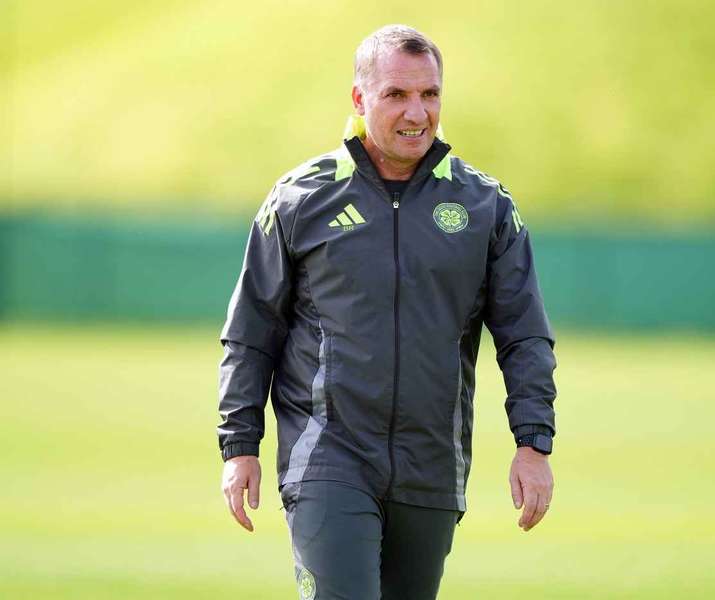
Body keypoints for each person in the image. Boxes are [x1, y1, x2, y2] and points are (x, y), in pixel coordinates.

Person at [217, 24, 557, 600]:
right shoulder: (299, 199)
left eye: (429, 94)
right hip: (328, 457)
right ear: (359, 99)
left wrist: (534, 443)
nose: (416, 112)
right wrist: (239, 443)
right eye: (396, 94)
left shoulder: (485, 206)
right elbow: (252, 332)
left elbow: (524, 336)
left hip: (431, 466)